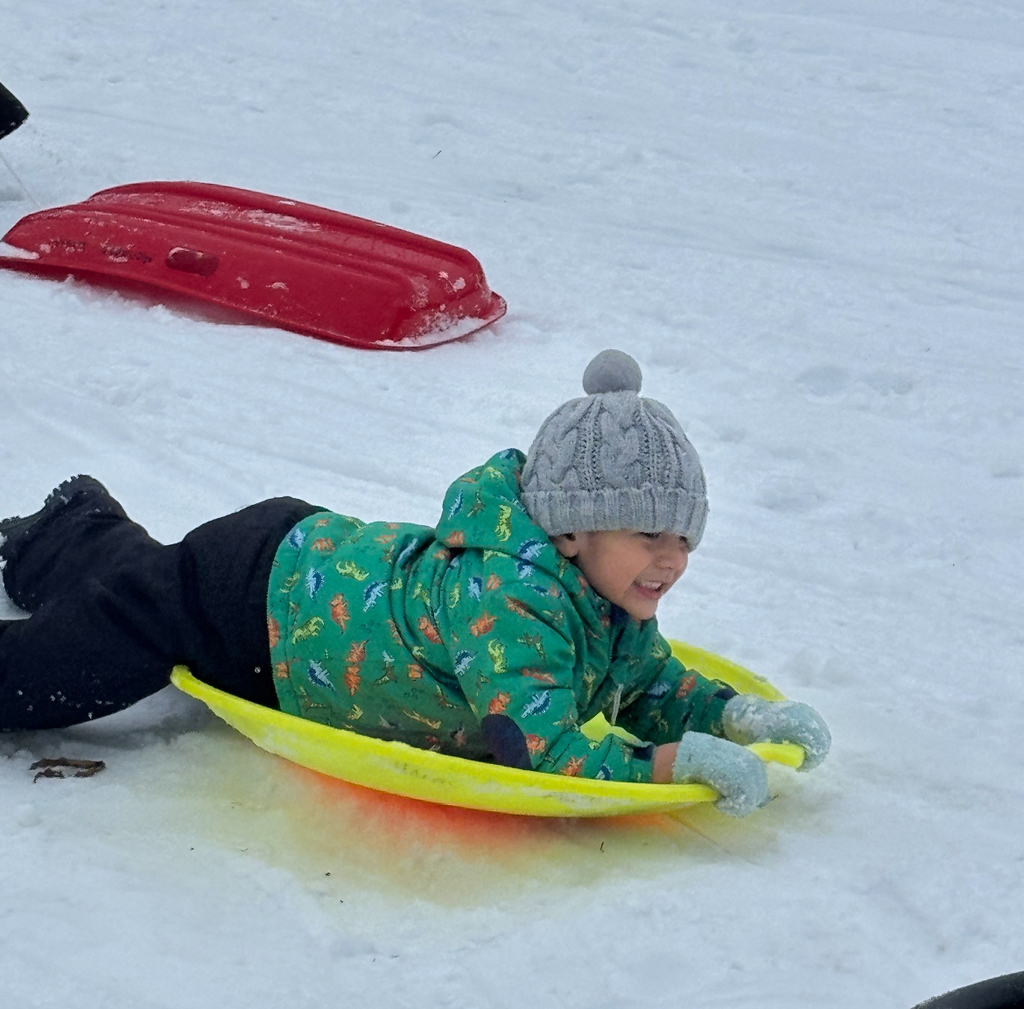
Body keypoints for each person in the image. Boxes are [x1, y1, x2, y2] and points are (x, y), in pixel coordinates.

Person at [0, 350, 830, 816]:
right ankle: (61, 547)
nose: (674, 559)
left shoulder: (608, 598)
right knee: (66, 664)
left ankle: (70, 524)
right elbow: (539, 751)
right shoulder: (514, 605)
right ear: (573, 530)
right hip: (252, 603)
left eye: (686, 536)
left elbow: (649, 684)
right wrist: (673, 764)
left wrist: (737, 715)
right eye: (651, 535)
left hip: (308, 566)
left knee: (131, 576)